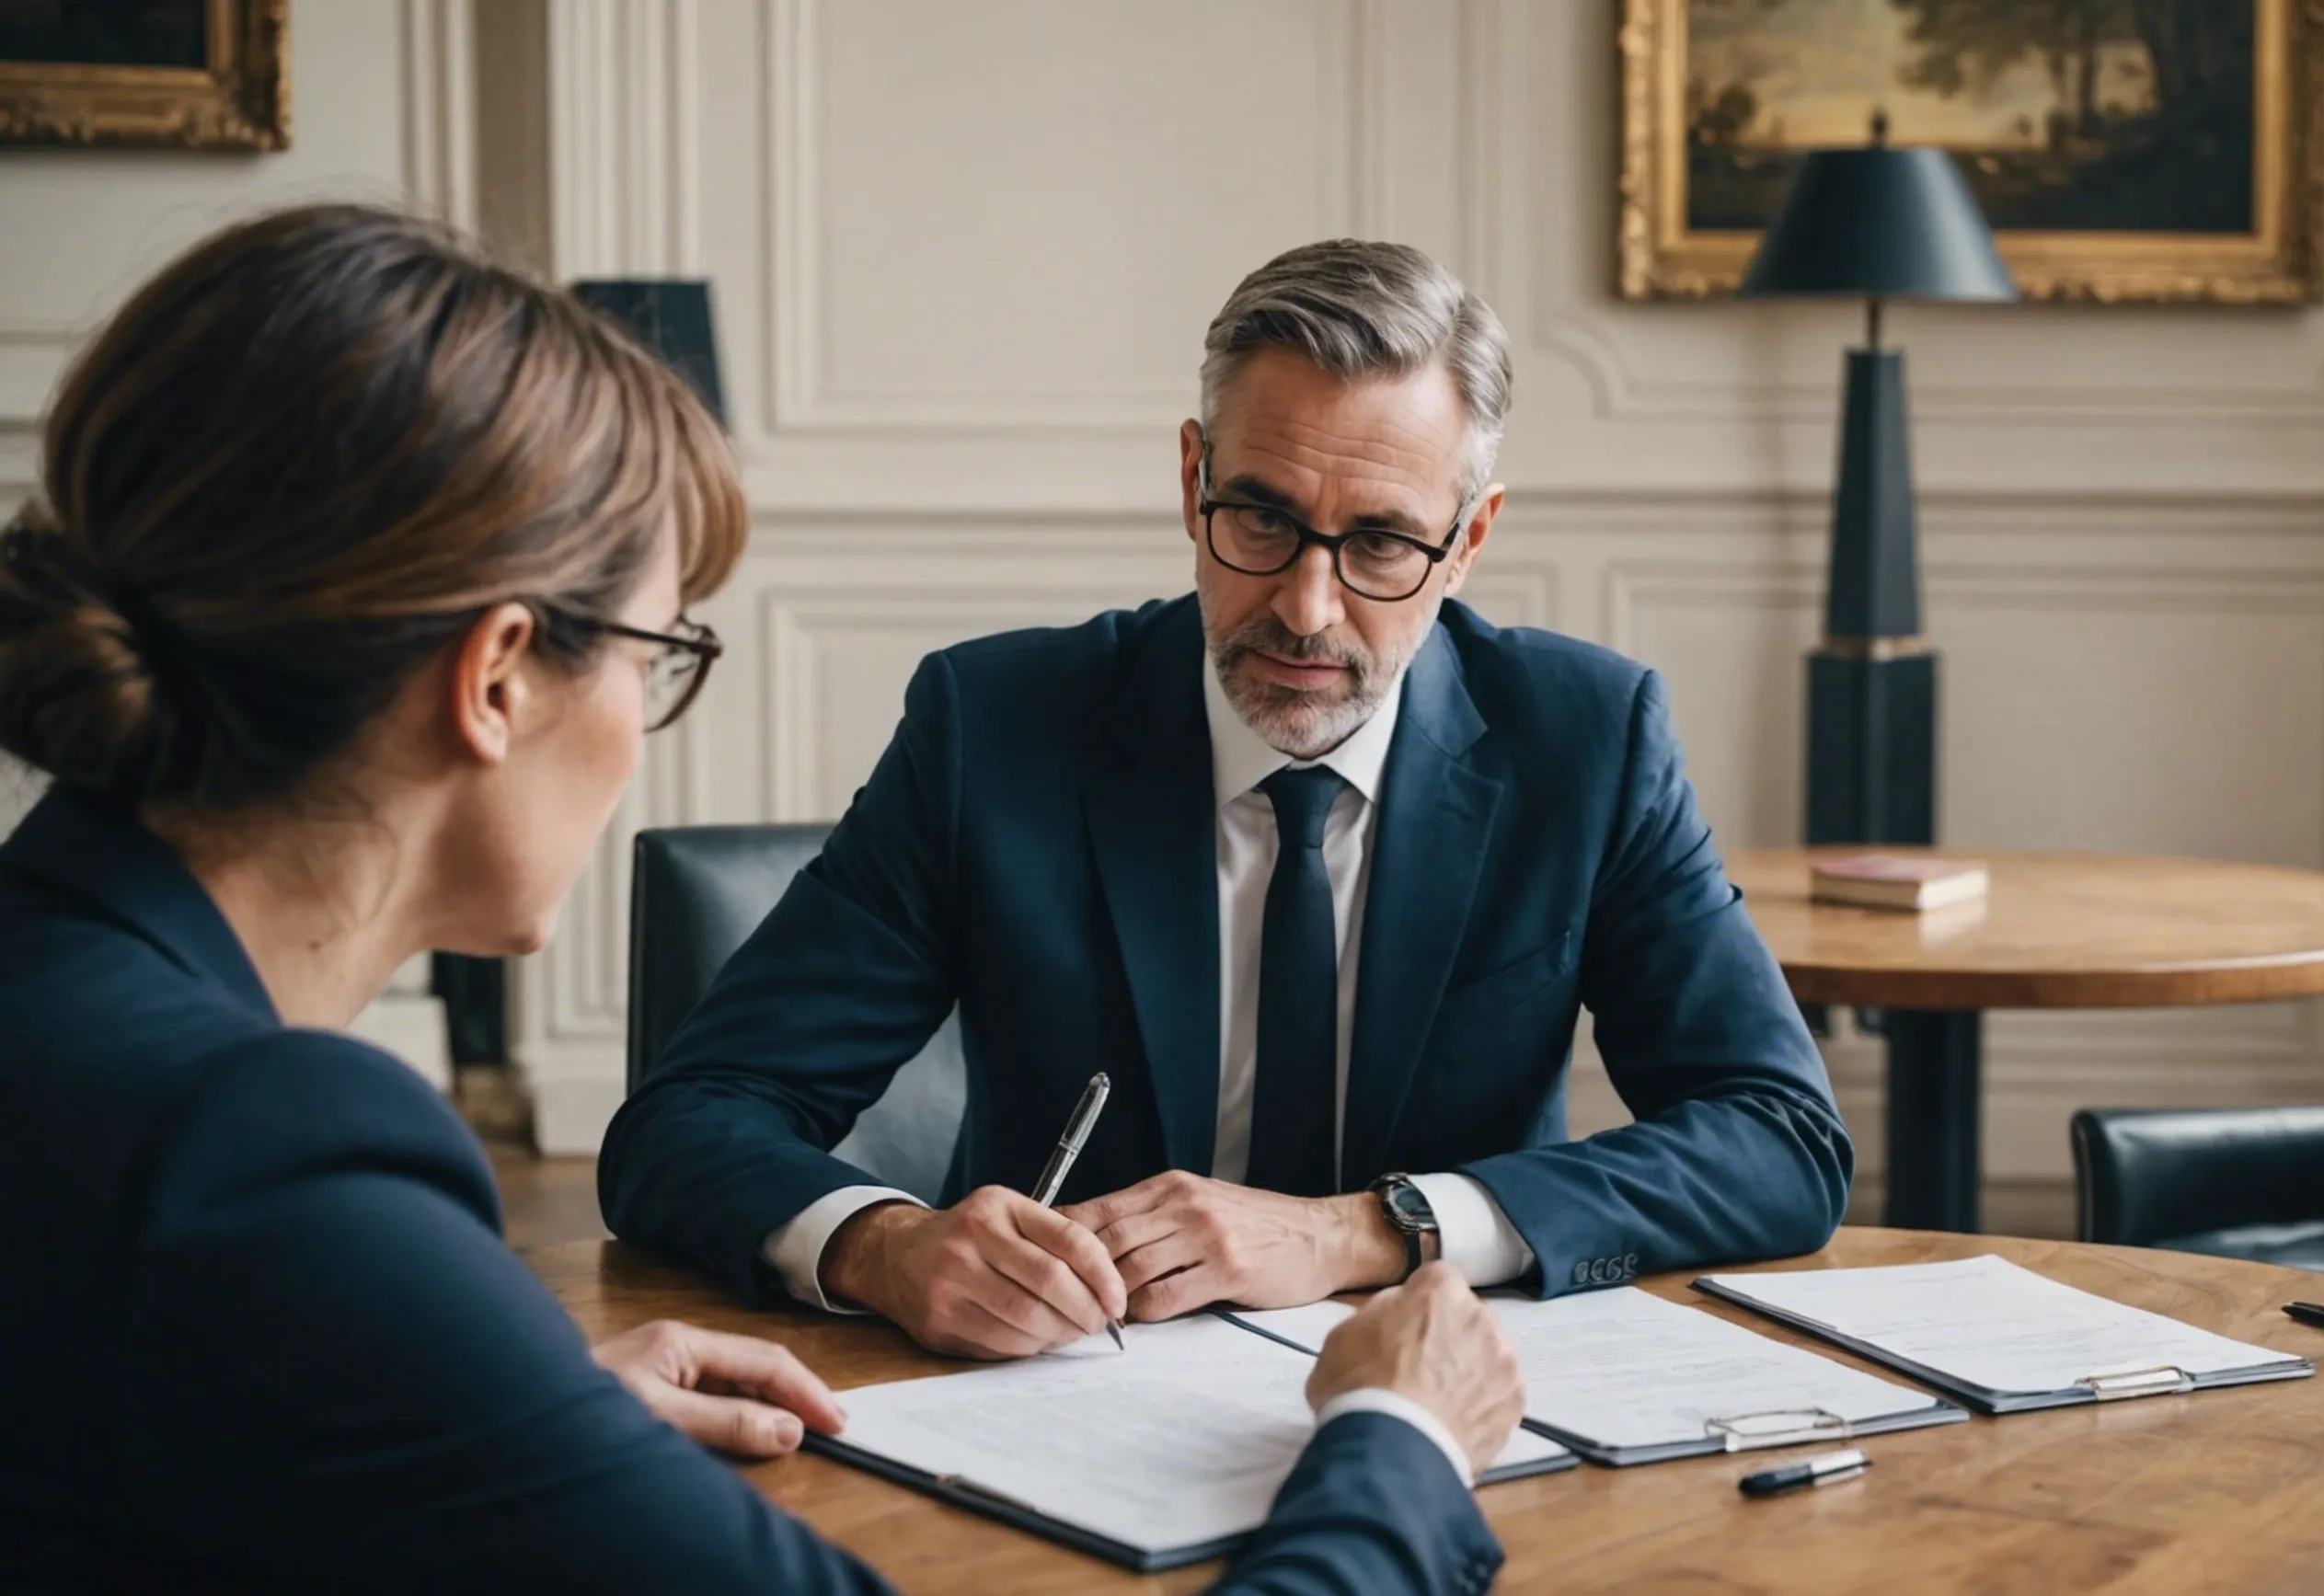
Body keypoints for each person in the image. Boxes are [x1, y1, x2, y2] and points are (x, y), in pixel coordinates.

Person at [0, 204, 1522, 1595]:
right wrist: (1397, 1434)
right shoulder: (275, 1169)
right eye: (665, 653)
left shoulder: (67, 1014)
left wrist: (521, 1410)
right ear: (497, 678)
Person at [600, 239, 1852, 1359]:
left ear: (1469, 541)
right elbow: (688, 1122)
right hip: (1059, 1399)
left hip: (1454, 1397)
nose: (1306, 609)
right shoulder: (996, 727)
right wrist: (880, 1244)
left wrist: (1366, 1229)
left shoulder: (1586, 741)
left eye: (1380, 543)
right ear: (1194, 478)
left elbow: (1779, 1134)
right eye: (1262, 516)